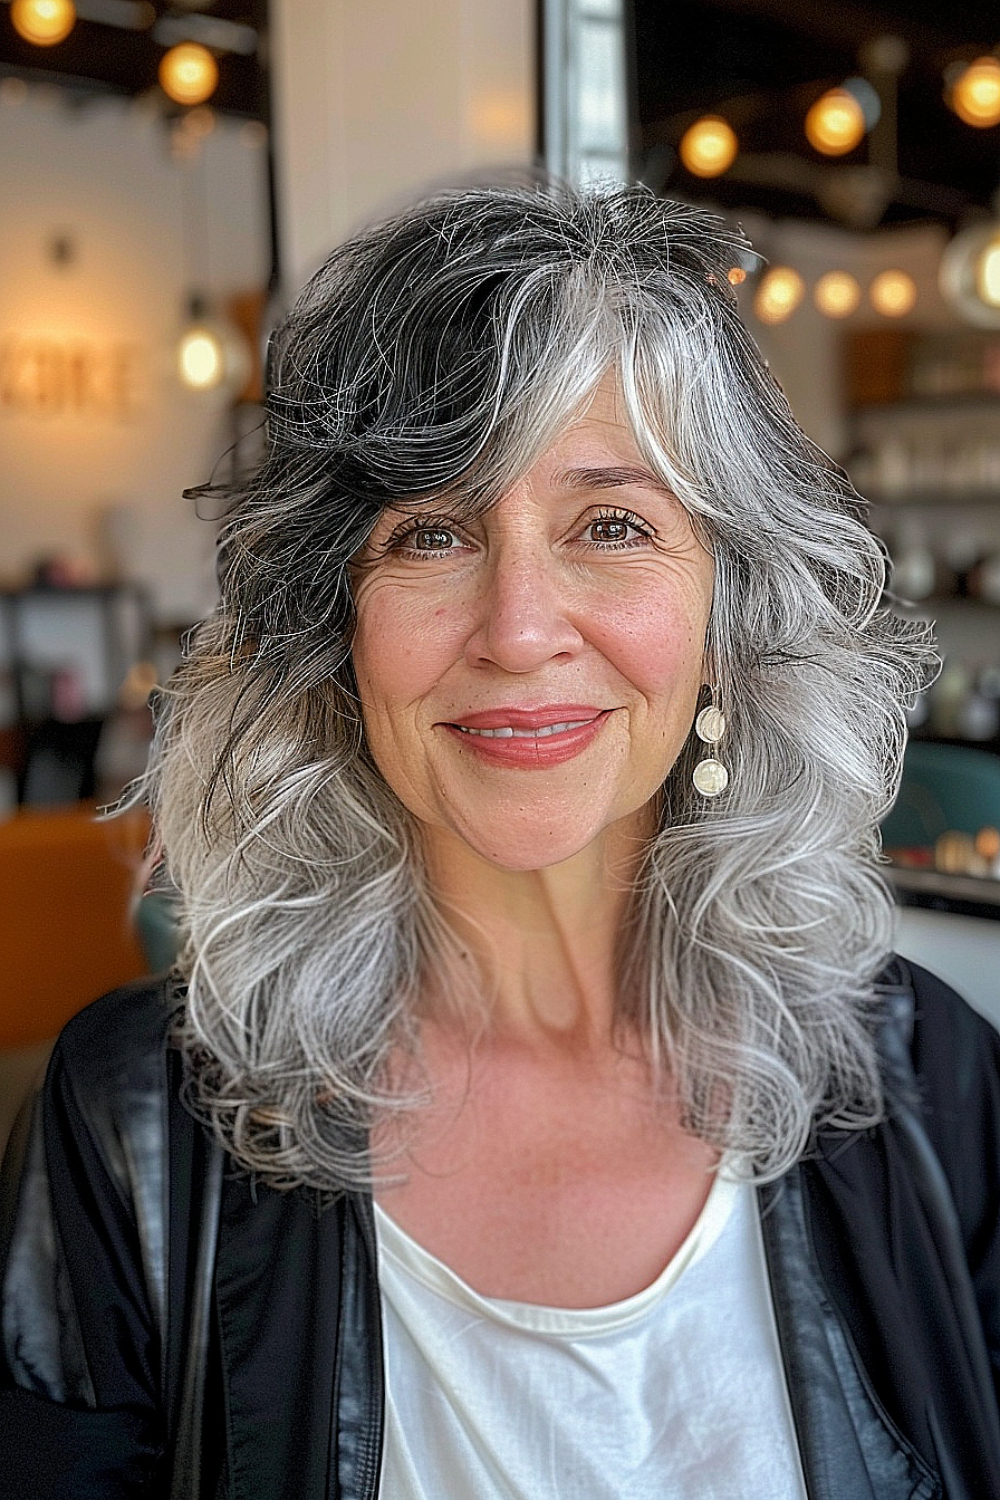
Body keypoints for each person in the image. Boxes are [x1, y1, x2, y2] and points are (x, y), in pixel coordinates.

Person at [2, 181, 999, 1500]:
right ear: (333, 628)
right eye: (432, 530)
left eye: (612, 524)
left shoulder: (932, 1081)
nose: (519, 628)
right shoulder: (132, 1125)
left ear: (725, 616)